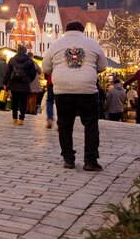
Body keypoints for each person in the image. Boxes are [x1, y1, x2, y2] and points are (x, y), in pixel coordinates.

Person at [43, 20, 108, 171]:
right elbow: (103, 66)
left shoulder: (56, 45)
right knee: (91, 125)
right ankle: (90, 161)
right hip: (87, 89)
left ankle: (68, 159)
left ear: (65, 30)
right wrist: (89, 70)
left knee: (65, 124)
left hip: (62, 89)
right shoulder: (92, 44)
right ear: (82, 30)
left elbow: (46, 67)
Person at [2, 44, 38, 125]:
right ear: (25, 51)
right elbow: (33, 73)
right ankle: (21, 119)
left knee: (14, 101)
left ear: (17, 51)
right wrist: (29, 80)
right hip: (24, 84)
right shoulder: (29, 60)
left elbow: (7, 73)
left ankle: (14, 119)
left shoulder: (12, 60)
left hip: (14, 84)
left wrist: (5, 83)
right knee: (23, 102)